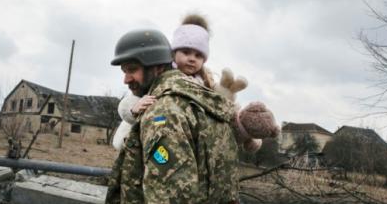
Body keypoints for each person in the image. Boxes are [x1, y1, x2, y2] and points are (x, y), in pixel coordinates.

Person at [100, 29, 246, 204]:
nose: (126, 79)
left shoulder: (163, 112)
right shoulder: (206, 101)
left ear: (155, 66)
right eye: (124, 72)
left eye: (131, 70)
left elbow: (171, 199)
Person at [112, 14, 269, 153]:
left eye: (198, 55)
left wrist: (246, 130)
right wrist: (134, 110)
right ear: (174, 53)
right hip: (143, 144)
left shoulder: (205, 82)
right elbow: (126, 105)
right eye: (186, 52)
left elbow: (224, 110)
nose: (192, 58)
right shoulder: (159, 78)